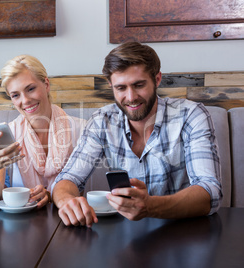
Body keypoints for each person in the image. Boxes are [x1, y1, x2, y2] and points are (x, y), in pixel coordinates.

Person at [51, 42, 223, 227]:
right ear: (111, 86)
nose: (131, 97)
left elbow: (210, 192)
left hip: (184, 232)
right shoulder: (102, 120)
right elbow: (67, 179)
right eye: (121, 88)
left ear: (157, 79)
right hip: (125, 239)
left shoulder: (191, 115)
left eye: (139, 85)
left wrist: (151, 207)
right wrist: (67, 201)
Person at [0, 55, 85, 208]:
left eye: (30, 89)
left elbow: (80, 188)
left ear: (46, 84)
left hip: (69, 215)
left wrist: (50, 196)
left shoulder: (80, 129)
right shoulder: (8, 133)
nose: (25, 101)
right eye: (16, 95)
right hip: (23, 222)